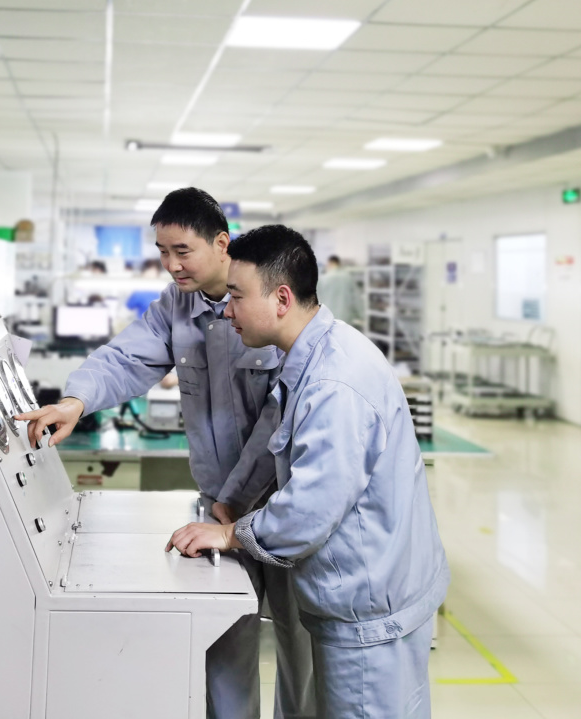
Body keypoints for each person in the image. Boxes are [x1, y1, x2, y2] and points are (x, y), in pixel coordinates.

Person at [16, 188, 316, 719]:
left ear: (221, 243)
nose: (172, 264)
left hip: (280, 506)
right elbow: (124, 359)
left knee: (299, 642)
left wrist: (237, 501)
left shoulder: (267, 306)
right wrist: (75, 401)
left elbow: (279, 423)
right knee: (226, 643)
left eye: (182, 251)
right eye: (162, 252)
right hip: (218, 505)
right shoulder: (177, 305)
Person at [167, 225, 450, 718]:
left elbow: (309, 511)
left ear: (281, 299)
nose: (227, 311)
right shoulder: (314, 353)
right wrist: (232, 499)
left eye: (236, 297)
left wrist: (231, 534)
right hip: (369, 595)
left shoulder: (334, 384)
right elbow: (271, 434)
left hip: (368, 616)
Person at [315, 255, 362, 325]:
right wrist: (362, 316)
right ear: (339, 264)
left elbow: (316, 299)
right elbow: (357, 299)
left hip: (327, 318)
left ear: (329, 263)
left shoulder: (323, 279)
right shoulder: (348, 278)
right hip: (345, 318)